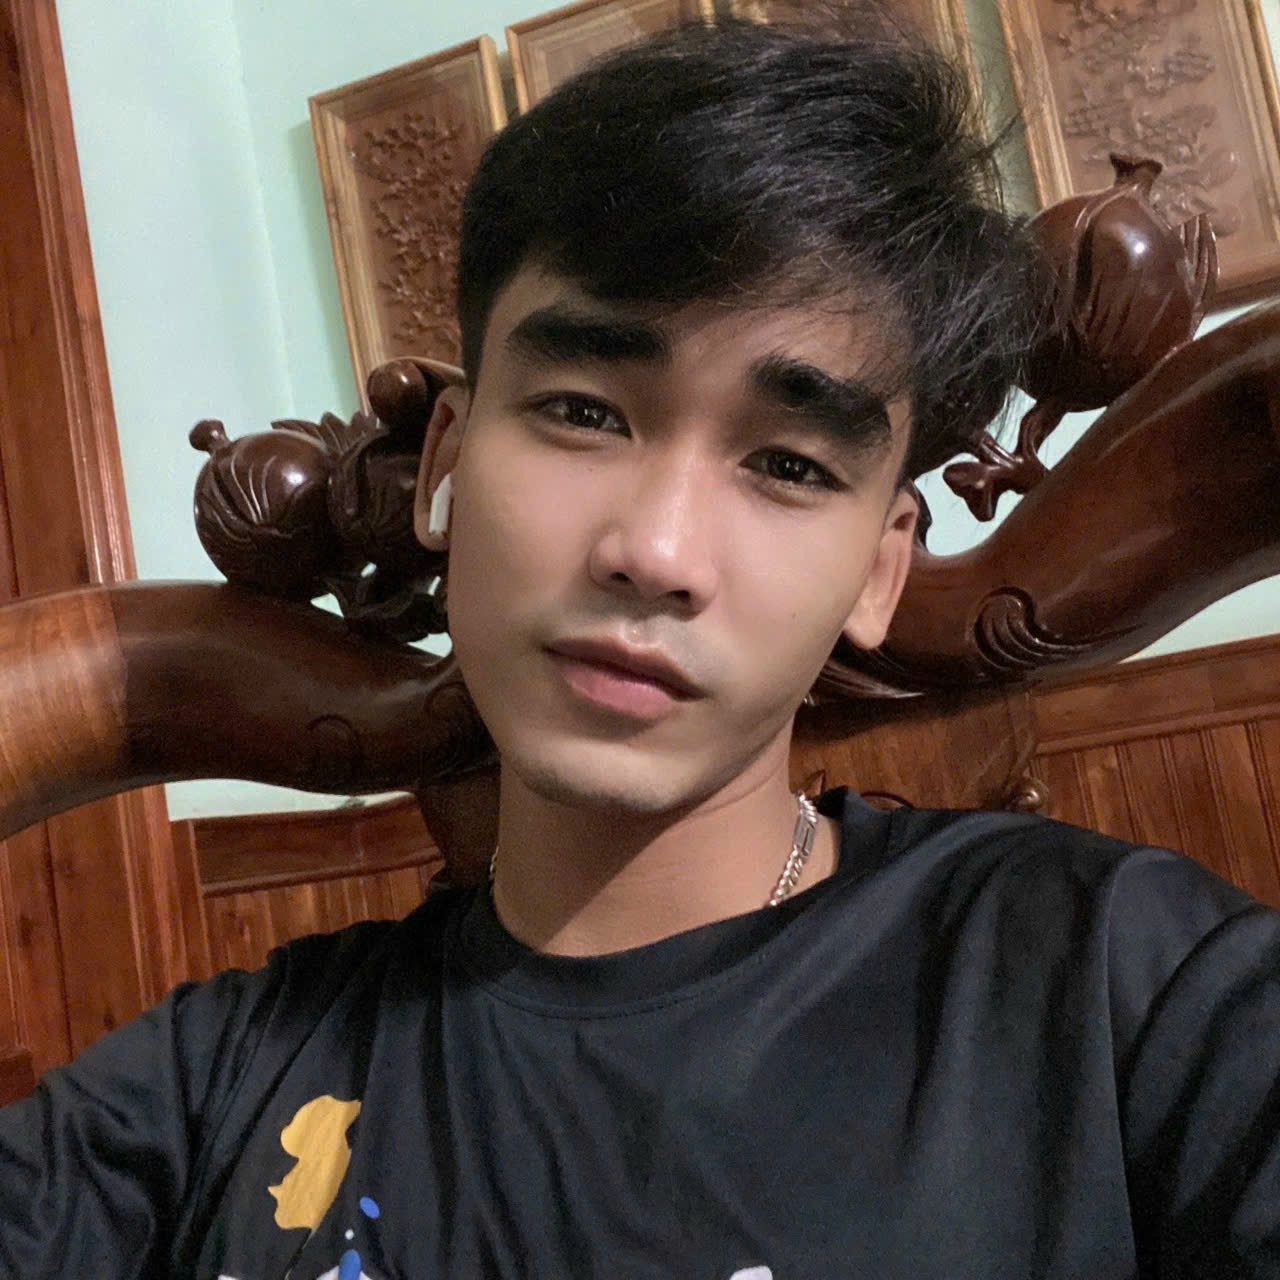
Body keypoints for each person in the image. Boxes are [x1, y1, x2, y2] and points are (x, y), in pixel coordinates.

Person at [3, 6, 1279, 1278]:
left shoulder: (1120, 987)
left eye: (788, 463)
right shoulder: (209, 1089)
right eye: (581, 410)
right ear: (444, 464)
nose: (655, 551)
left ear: (879, 567)